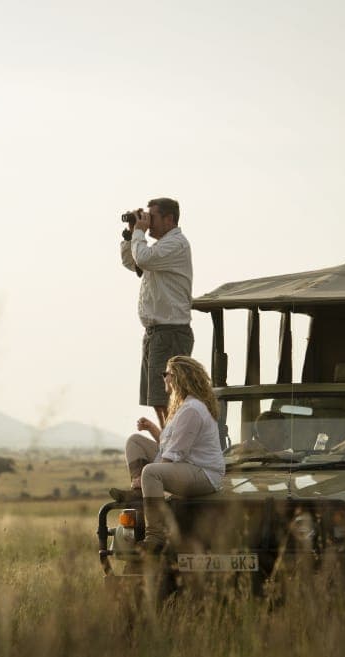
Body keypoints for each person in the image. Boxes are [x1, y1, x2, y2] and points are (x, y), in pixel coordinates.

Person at [108, 355, 224, 552]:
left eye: (166, 374)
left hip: (203, 473)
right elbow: (168, 444)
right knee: (135, 441)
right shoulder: (184, 407)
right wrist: (152, 428)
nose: (163, 378)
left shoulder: (192, 410)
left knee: (152, 473)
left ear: (177, 378)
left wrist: (151, 472)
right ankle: (138, 491)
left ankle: (155, 536)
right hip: (188, 464)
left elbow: (175, 453)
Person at [121, 197, 194, 428]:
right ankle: (168, 441)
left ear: (169, 219)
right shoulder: (159, 248)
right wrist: (131, 234)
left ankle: (172, 443)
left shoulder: (176, 244)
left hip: (170, 332)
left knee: (168, 397)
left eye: (152, 217)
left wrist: (139, 234)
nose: (148, 223)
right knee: (156, 397)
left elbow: (142, 258)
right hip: (156, 332)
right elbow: (131, 262)